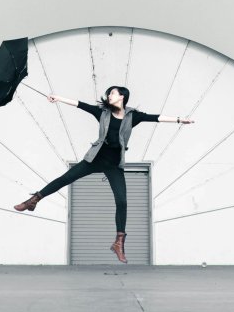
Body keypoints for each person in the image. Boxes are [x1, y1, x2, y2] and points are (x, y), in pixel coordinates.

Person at [13, 86, 195, 263]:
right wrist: (58, 98)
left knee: (122, 201)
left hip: (114, 165)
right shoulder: (102, 113)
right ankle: (33, 200)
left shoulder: (133, 116)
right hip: (95, 159)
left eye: (113, 93)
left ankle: (118, 243)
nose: (109, 96)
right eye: (109, 94)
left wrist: (180, 120)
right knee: (65, 179)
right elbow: (80, 104)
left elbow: (156, 117)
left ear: (122, 96)